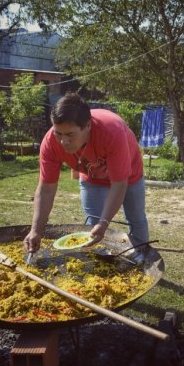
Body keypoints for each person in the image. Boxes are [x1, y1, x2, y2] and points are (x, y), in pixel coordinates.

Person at [23, 93, 149, 254]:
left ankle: (142, 259)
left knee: (136, 219)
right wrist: (36, 230)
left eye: (70, 135)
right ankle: (96, 263)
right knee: (92, 226)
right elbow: (46, 189)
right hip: (92, 178)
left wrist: (104, 223)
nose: (63, 142)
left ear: (88, 126)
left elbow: (119, 184)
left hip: (128, 176)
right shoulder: (50, 144)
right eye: (58, 133)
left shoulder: (112, 131)